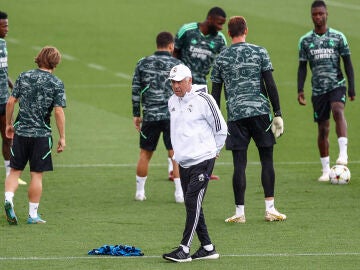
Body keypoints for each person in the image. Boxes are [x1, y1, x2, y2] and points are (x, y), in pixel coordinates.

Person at [211, 16, 286, 223]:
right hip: (261, 112)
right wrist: (278, 112)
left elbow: (215, 94)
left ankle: (239, 212)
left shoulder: (221, 57)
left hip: (236, 116)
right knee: (267, 160)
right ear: (246, 30)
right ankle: (270, 209)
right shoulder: (259, 51)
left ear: (228, 33)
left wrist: (216, 123)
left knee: (239, 164)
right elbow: (270, 84)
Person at [162, 64, 227, 262]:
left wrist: (213, 152)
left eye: (179, 81)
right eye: (173, 82)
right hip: (184, 162)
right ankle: (207, 247)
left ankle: (184, 249)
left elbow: (221, 128)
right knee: (194, 205)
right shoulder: (172, 101)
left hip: (203, 161)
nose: (176, 86)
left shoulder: (205, 100)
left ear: (189, 80)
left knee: (191, 201)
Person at [4, 46, 66, 225]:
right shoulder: (56, 83)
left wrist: (9, 124)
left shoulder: (24, 76)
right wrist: (62, 137)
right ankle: (32, 215)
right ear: (55, 62)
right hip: (41, 136)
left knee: (15, 171)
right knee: (36, 175)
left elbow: (11, 101)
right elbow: (58, 111)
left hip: (21, 133)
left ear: (39, 58)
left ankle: (9, 199)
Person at [297, 0, 355, 182]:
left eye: (321, 13)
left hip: (337, 84)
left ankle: (343, 154)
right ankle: (324, 170)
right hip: (318, 89)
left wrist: (351, 87)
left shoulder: (338, 37)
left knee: (338, 110)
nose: (318, 17)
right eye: (315, 14)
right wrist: (300, 89)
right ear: (311, 16)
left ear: (327, 14)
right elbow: (302, 67)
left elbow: (348, 64)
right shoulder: (305, 41)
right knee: (323, 129)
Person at [172, 6, 227, 181]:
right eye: (219, 23)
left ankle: (205, 168)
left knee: (205, 126)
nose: (221, 27)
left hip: (201, 87)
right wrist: (178, 80)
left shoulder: (219, 39)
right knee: (180, 125)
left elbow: (223, 62)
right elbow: (175, 54)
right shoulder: (187, 30)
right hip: (182, 85)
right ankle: (175, 168)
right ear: (210, 19)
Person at [132, 32, 184, 203]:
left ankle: (140, 192)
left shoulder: (142, 63)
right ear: (171, 46)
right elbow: (183, 90)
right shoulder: (177, 64)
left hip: (150, 116)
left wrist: (136, 114)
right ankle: (179, 193)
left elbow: (135, 90)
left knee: (145, 154)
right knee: (175, 154)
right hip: (172, 116)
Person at [0, 11, 26, 185]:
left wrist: (14, 86)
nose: (7, 29)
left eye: (7, 25)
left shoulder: (3, 44)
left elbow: (4, 71)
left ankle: (11, 174)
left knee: (8, 137)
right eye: (4, 26)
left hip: (3, 99)